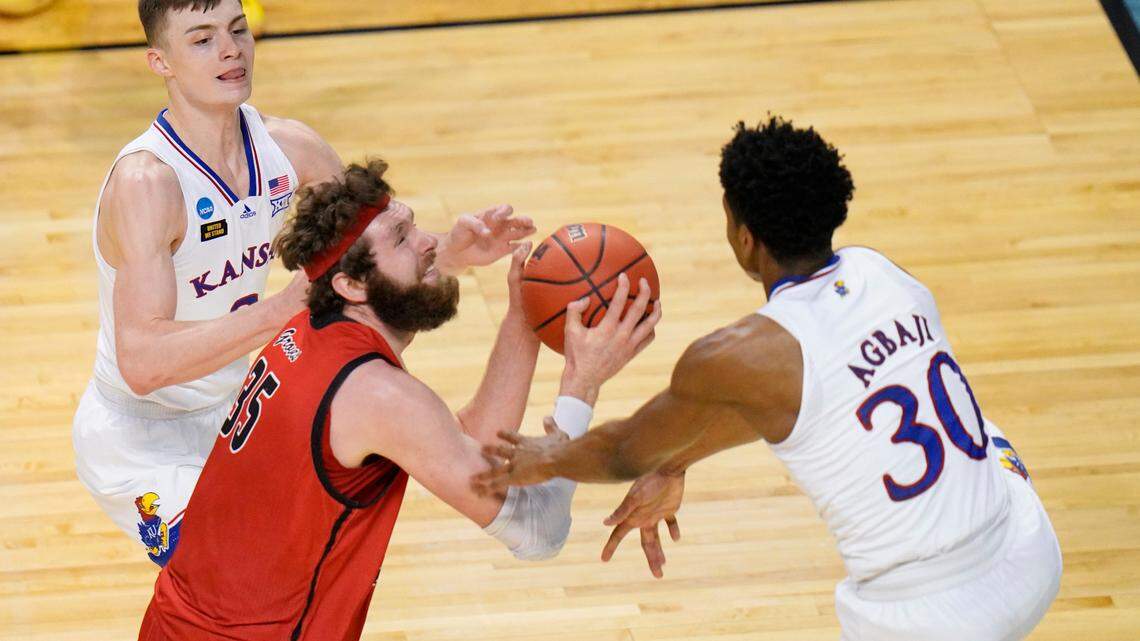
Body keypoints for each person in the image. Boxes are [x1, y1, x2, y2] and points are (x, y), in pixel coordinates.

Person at [474, 117, 1063, 641]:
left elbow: (625, 449)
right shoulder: (883, 272)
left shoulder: (737, 355)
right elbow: (797, 404)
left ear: (744, 236)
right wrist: (676, 463)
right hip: (1027, 550)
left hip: (926, 616)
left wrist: (551, 456)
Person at [72, 0, 534, 566]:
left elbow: (374, 250)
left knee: (306, 567)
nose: (229, 49)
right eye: (201, 39)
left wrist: (456, 250)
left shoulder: (291, 148)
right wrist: (281, 309)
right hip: (141, 437)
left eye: (238, 30)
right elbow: (143, 363)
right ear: (159, 62)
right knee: (232, 574)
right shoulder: (148, 184)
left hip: (238, 408)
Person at [137, 159, 662, 640]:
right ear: (352, 285)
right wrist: (581, 385)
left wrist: (523, 321)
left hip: (178, 623)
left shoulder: (310, 334)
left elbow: (465, 451)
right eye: (404, 237)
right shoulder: (377, 393)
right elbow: (539, 531)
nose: (429, 243)